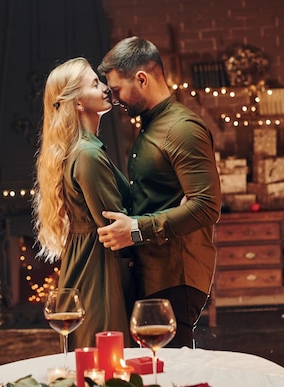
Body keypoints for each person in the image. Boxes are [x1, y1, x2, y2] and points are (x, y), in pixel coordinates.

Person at [96, 37, 222, 348]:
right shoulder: (150, 127)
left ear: (142, 78)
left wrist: (136, 229)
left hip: (175, 275)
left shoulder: (182, 128)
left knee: (172, 378)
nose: (113, 99)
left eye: (116, 90)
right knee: (156, 374)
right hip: (154, 271)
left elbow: (207, 206)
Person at [32, 57, 132, 349]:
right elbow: (115, 226)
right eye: (94, 83)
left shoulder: (78, 150)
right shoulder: (87, 154)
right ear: (77, 103)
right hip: (99, 271)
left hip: (84, 262)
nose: (105, 88)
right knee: (106, 363)